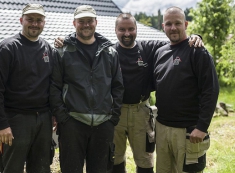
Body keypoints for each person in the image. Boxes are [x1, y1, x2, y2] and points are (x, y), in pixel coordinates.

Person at [54, 12, 203, 173]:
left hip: (141, 112)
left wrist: (194, 36)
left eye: (131, 29)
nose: (127, 33)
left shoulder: (148, 48)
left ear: (136, 29)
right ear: (115, 30)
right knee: (115, 158)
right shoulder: (108, 52)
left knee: (145, 159)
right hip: (114, 113)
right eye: (122, 29)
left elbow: (175, 40)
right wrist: (65, 39)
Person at [49, 5, 124, 173]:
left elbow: (118, 87)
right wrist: (63, 118)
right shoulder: (62, 51)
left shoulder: (110, 53)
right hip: (72, 123)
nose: (86, 25)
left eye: (89, 21)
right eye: (81, 21)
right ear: (74, 23)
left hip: (104, 124)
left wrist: (113, 118)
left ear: (96, 22)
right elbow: (54, 87)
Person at [0, 4, 57, 173]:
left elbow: (53, 85)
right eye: (30, 19)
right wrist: (2, 125)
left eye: (39, 20)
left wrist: (54, 114)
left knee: (41, 168)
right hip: (16, 121)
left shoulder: (48, 49)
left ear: (44, 22)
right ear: (21, 20)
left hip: (43, 120)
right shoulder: (8, 48)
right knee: (12, 168)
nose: (34, 24)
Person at [153, 6, 219, 173]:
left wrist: (202, 126)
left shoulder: (197, 51)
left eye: (178, 23)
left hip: (188, 131)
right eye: (168, 24)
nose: (173, 27)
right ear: (163, 27)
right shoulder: (160, 52)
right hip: (162, 127)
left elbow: (210, 90)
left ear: (186, 24)